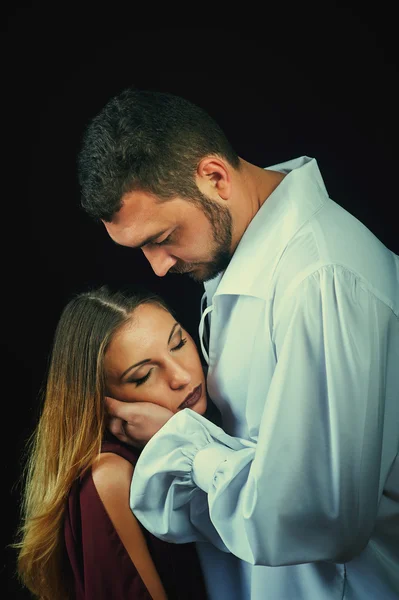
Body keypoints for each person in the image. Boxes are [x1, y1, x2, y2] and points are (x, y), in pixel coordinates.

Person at [77, 88, 399, 599]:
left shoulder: (320, 279)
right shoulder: (237, 262)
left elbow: (320, 520)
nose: (157, 267)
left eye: (162, 237)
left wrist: (184, 444)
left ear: (215, 177)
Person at [13, 285, 210, 600]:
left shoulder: (210, 419)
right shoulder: (112, 476)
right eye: (143, 376)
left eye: (178, 343)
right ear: (104, 403)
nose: (181, 377)